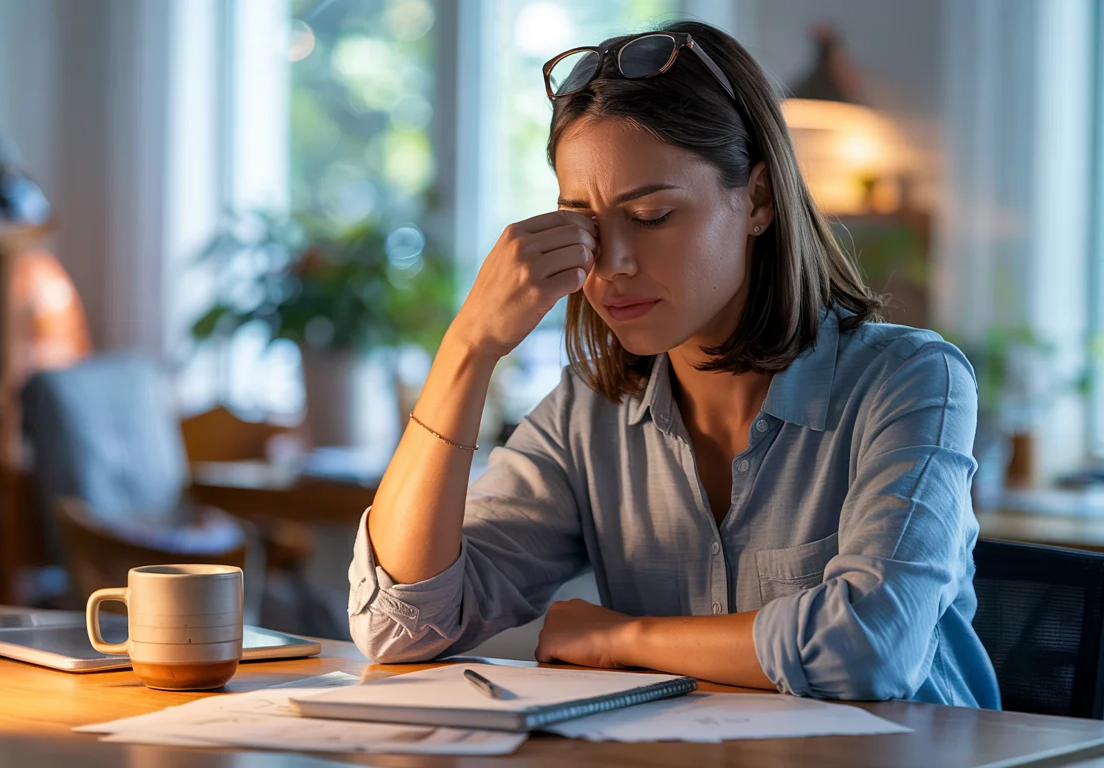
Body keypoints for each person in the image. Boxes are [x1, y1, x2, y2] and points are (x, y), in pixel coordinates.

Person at [347, 20, 1000, 707]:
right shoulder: (586, 414)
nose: (613, 265)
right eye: (586, 226)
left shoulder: (912, 380)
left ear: (759, 200)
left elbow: (871, 648)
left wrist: (620, 638)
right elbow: (400, 625)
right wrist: (468, 349)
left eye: (653, 215)